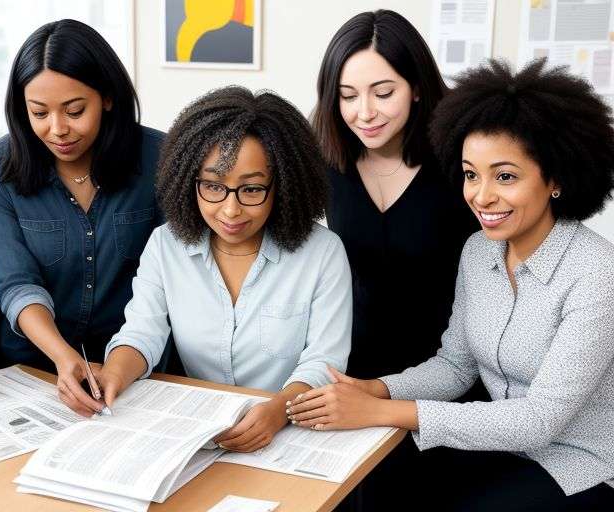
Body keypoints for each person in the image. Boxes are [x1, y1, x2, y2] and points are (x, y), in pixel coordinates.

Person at [288, 59, 614, 511]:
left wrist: (384, 411)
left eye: (505, 176)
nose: (481, 195)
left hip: (577, 465)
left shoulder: (597, 272)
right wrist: (376, 389)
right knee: (371, 479)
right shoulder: (479, 251)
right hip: (495, 449)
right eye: (470, 174)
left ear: (556, 177)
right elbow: (456, 366)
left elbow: (540, 421)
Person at [91, 86, 352, 452]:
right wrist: (113, 374)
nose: (230, 211)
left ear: (283, 186)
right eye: (213, 186)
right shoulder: (166, 246)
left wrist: (278, 411)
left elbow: (323, 360)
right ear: (188, 180)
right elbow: (142, 332)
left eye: (251, 190)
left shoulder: (323, 253)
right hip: (199, 435)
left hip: (291, 433)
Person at [310, 10, 480, 509]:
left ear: (418, 87)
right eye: (347, 96)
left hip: (450, 373)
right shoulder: (328, 162)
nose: (365, 112)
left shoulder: (462, 165)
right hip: (355, 368)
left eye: (383, 93)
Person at [0, 19, 163, 418]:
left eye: (75, 110)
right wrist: (63, 357)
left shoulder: (159, 160)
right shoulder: (0, 167)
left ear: (108, 98)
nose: (57, 129)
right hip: (33, 371)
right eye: (39, 113)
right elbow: (14, 282)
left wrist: (119, 363)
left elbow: (173, 279)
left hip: (136, 373)